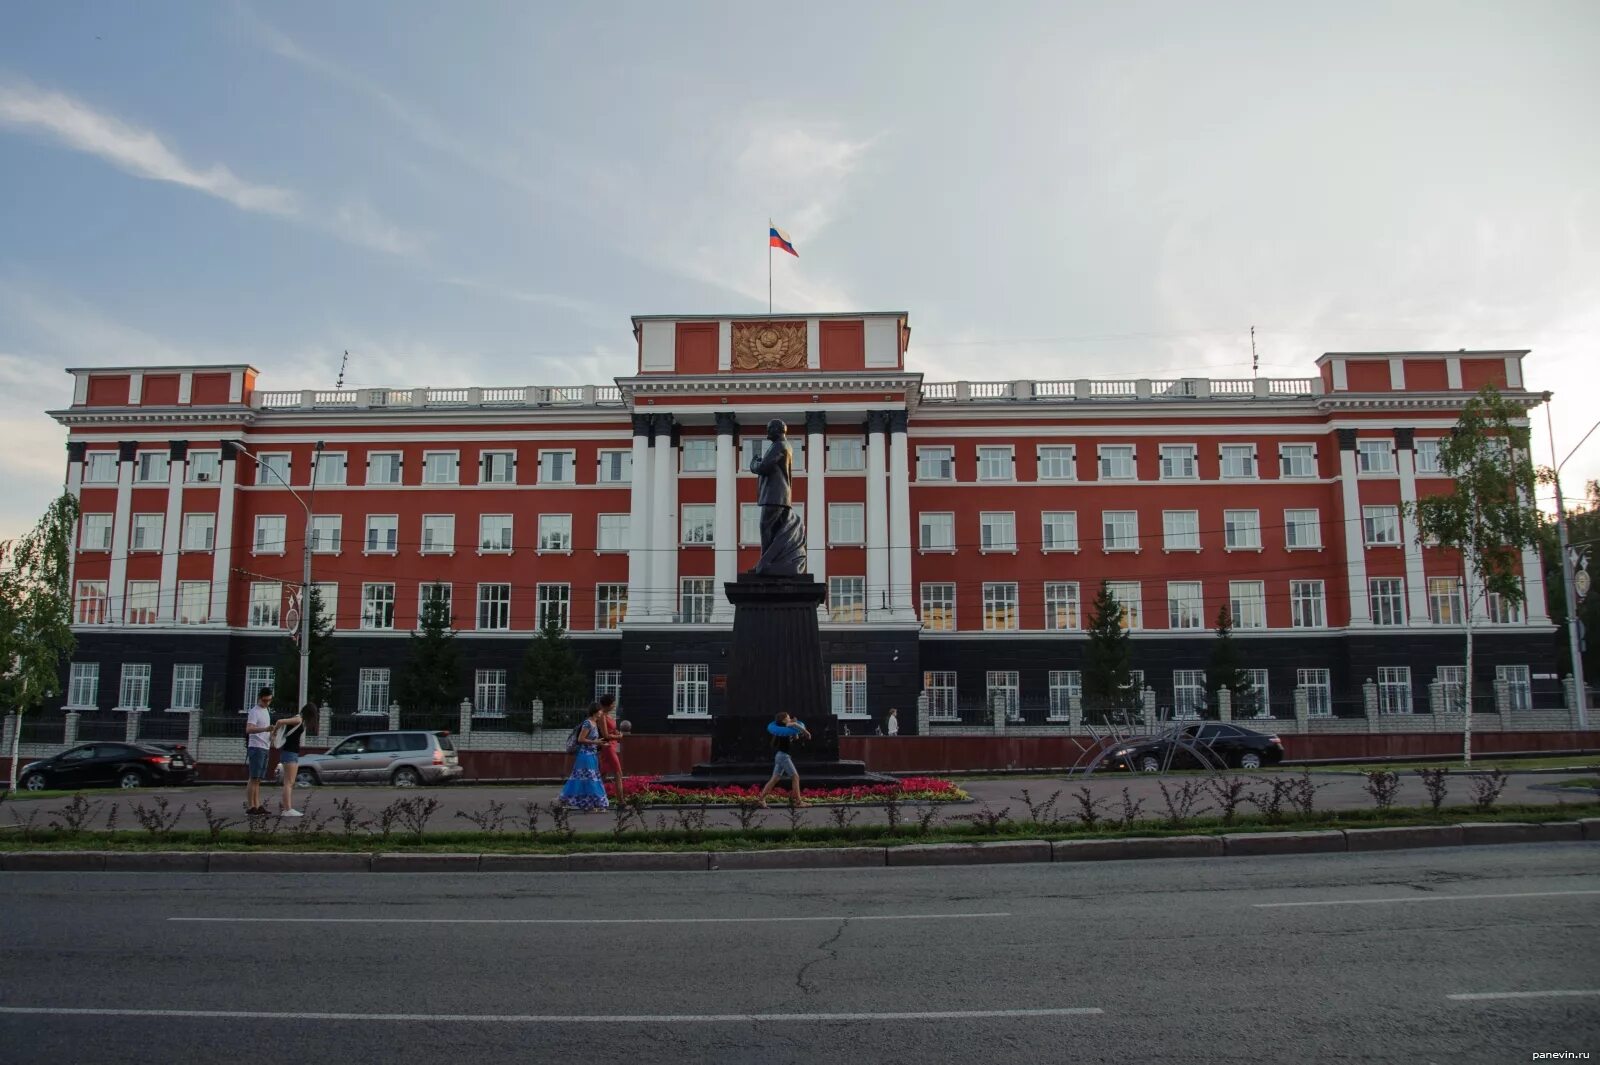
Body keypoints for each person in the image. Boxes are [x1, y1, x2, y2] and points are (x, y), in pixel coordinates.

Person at [558, 704, 609, 812]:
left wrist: (600, 744)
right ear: (595, 712)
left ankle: (589, 803)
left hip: (592, 755)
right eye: (600, 711)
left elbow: (592, 741)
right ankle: (566, 800)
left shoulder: (595, 723)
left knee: (589, 779)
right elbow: (581, 739)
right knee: (586, 779)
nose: (601, 713)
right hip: (585, 755)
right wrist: (595, 742)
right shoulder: (588, 723)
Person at [757, 712, 811, 807]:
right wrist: (806, 732)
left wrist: (797, 731)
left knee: (774, 779)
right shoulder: (786, 726)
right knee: (795, 777)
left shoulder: (786, 729)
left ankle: (761, 800)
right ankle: (798, 802)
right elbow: (793, 724)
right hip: (783, 756)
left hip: (780, 756)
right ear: (784, 720)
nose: (790, 718)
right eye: (788, 717)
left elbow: (795, 737)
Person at [274, 702, 316, 818]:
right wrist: (274, 733)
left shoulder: (300, 720)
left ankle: (286, 808)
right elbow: (280, 721)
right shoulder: (298, 719)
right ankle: (287, 809)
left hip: (290, 753)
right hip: (289, 753)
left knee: (289, 782)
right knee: (289, 782)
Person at [244, 687, 275, 814]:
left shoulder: (266, 710)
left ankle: (257, 804)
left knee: (258, 779)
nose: (267, 703)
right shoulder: (254, 711)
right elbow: (249, 729)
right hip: (256, 747)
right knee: (253, 777)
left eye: (269, 700)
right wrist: (264, 730)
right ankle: (251, 806)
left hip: (265, 746)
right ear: (260, 698)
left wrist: (271, 735)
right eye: (265, 700)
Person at [596, 693, 625, 803]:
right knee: (618, 773)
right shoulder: (602, 716)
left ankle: (596, 799)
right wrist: (618, 736)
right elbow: (605, 735)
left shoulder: (608, 715)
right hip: (607, 747)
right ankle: (621, 802)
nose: (614, 706)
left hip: (612, 746)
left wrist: (616, 732)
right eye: (613, 703)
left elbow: (610, 730)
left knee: (603, 774)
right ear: (607, 705)